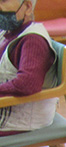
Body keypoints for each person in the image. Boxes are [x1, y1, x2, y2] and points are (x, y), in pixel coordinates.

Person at [0, 0, 58, 136]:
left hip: (18, 118)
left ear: (27, 7)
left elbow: (27, 84)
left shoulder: (33, 40)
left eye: (4, 1)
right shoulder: (8, 32)